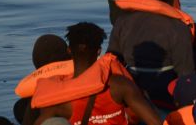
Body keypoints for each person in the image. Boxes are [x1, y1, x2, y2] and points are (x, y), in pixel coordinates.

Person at [29, 22, 160, 125]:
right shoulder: (120, 85)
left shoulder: (59, 97)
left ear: (69, 51)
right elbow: (155, 122)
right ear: (98, 51)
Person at [107, 0, 195, 110]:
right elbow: (186, 73)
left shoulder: (123, 20)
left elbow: (112, 60)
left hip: (131, 91)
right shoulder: (178, 27)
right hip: (164, 95)